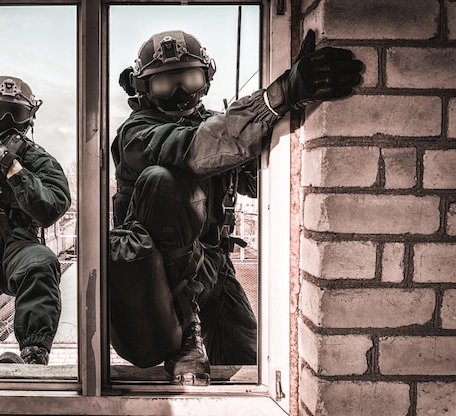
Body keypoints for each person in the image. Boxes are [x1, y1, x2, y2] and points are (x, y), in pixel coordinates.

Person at [109, 30, 363, 385]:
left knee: (250, 366)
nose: (180, 92)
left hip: (212, 264)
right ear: (144, 89)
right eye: (166, 84)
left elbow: (257, 181)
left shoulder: (215, 124)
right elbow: (195, 151)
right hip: (156, 276)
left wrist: (295, 114)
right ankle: (186, 337)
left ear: (206, 79)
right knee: (164, 179)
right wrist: (279, 96)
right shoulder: (136, 133)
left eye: (189, 78)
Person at [0, 75, 71, 364]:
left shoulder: (38, 159)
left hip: (17, 246)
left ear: (29, 117)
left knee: (41, 264)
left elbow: (52, 206)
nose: (6, 119)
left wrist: (14, 170)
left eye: (16, 112)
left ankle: (34, 356)